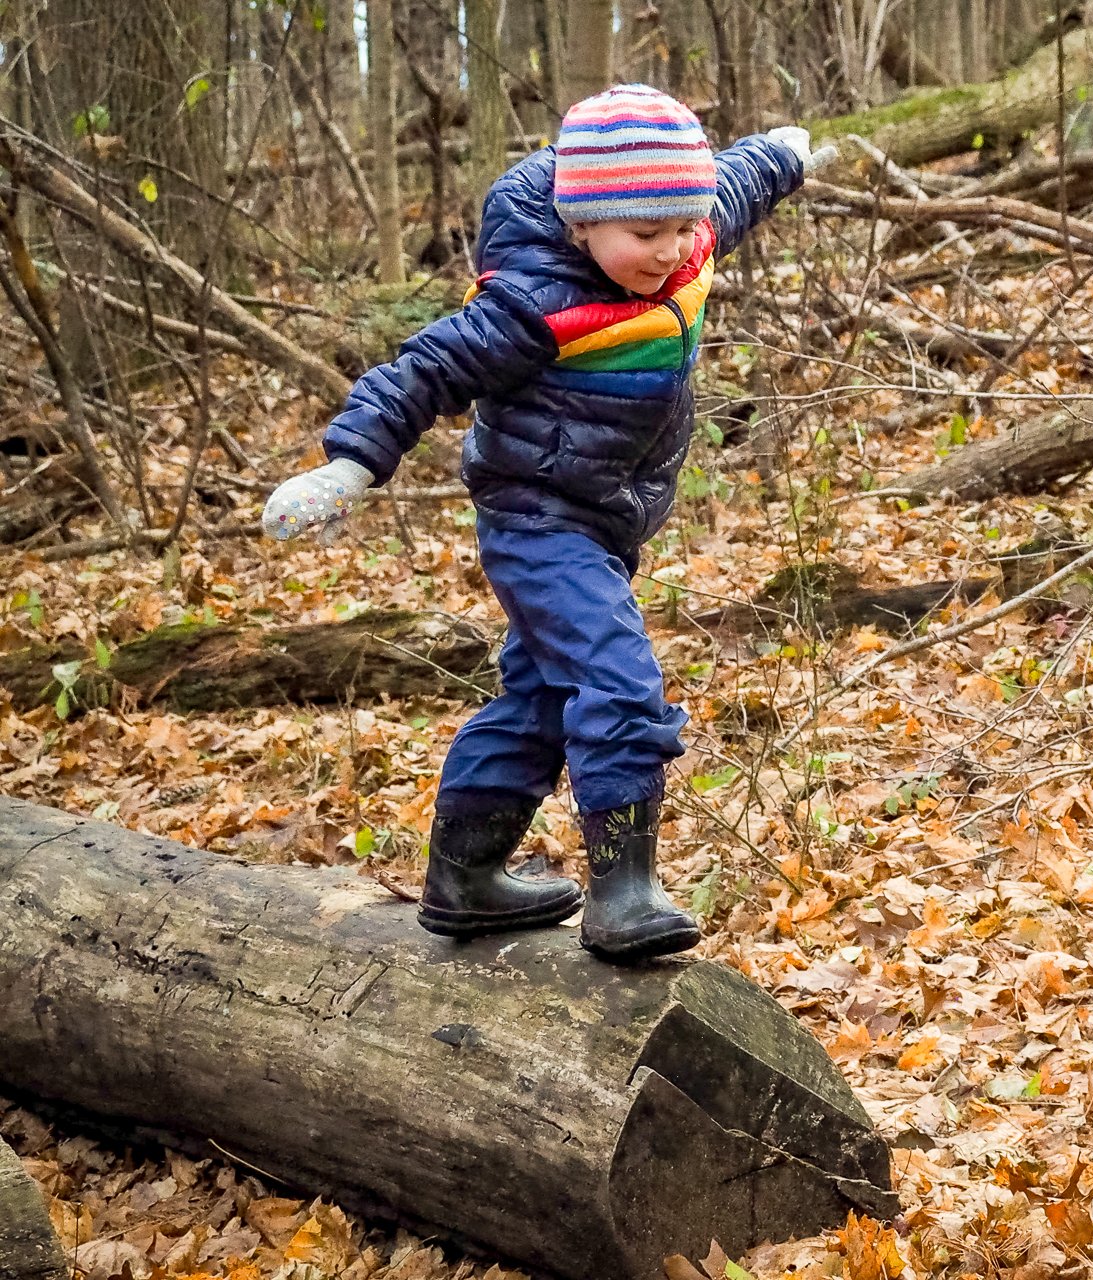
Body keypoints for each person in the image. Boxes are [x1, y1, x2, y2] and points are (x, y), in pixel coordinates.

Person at [262, 84, 823, 960]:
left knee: (539, 700)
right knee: (617, 678)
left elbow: (737, 182)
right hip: (536, 518)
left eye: (684, 227)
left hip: (605, 523)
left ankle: (464, 877)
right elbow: (426, 370)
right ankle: (624, 893)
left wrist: (786, 155)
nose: (671, 251)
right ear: (580, 223)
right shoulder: (530, 304)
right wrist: (353, 460)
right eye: (646, 235)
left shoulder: (687, 235)